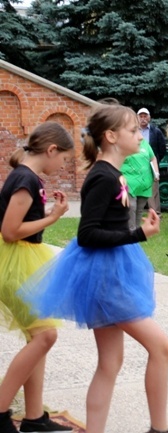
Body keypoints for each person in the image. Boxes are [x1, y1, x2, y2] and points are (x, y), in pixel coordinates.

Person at [23, 104, 168, 433]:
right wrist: (138, 234)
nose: (139, 135)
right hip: (106, 278)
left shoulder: (114, 173)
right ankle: (159, 430)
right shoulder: (102, 177)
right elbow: (87, 234)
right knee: (161, 346)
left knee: (110, 362)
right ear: (111, 136)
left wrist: (134, 231)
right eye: (133, 131)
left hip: (113, 270)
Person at [0, 123, 74, 433]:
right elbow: (10, 230)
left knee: (38, 338)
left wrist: (47, 214)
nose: (64, 166)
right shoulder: (24, 179)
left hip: (23, 260)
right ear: (51, 150)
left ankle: (34, 418)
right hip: (15, 264)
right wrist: (52, 217)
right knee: (46, 336)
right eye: (65, 159)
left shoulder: (30, 178)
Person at [121, 136, 158, 230]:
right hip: (128, 180)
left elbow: (153, 158)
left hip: (144, 182)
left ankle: (136, 231)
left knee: (139, 209)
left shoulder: (144, 143)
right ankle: (131, 230)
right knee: (131, 206)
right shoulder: (122, 142)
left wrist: (156, 172)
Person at [138, 108, 167, 215]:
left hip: (152, 164)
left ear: (149, 118)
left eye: (145, 116)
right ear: (137, 118)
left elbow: (162, 149)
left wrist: (156, 159)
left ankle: (156, 213)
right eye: (140, 116)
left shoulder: (156, 131)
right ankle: (138, 211)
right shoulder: (134, 131)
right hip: (137, 164)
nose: (143, 119)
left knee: (154, 189)